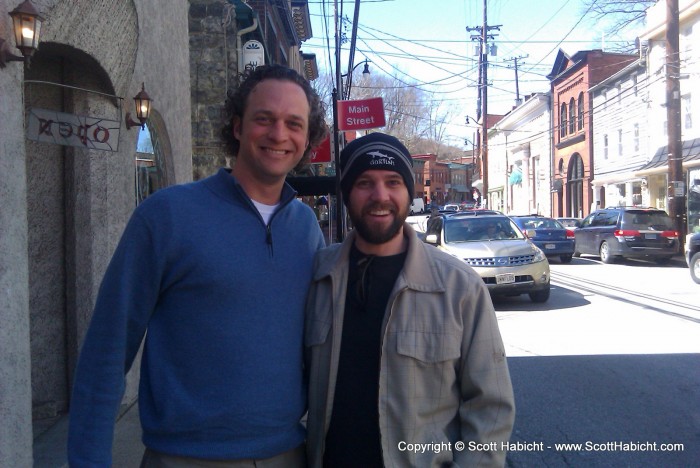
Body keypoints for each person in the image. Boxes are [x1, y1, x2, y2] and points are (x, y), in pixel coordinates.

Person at [67, 65, 328, 467]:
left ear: (307, 139)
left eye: (294, 124)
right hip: (184, 458)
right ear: (238, 126)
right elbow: (107, 348)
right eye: (264, 119)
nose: (279, 134)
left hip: (289, 454)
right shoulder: (166, 216)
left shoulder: (306, 228)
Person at [304, 132, 516, 467]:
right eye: (364, 183)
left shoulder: (459, 287)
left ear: (409, 192)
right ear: (346, 195)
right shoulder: (316, 278)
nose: (380, 196)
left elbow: (490, 407)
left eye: (393, 182)